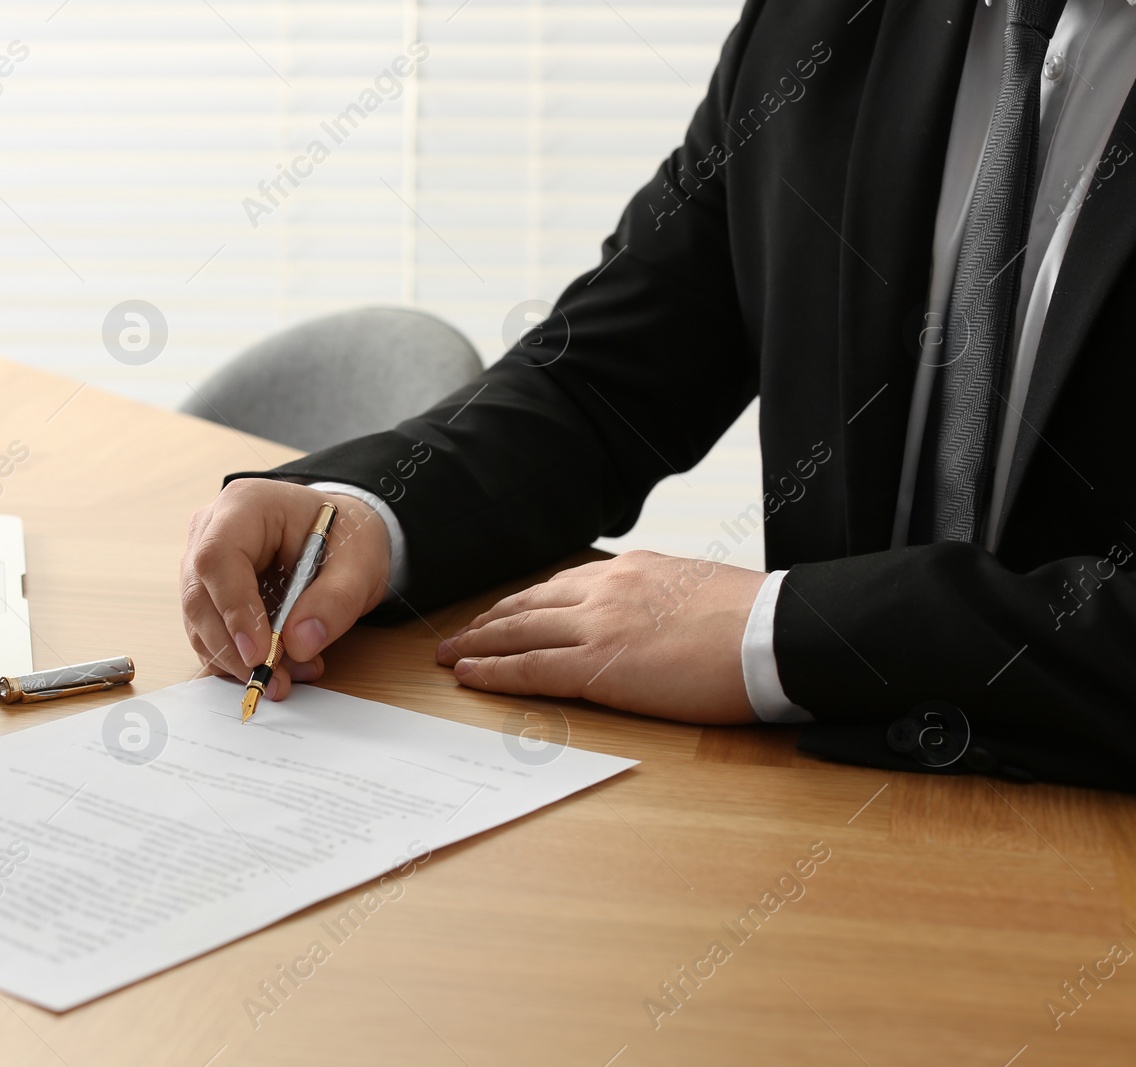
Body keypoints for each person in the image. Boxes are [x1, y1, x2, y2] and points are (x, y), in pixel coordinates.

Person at [180, 0, 1136, 792]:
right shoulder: (817, 25)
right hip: (813, 819)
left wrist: (787, 630)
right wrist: (367, 513)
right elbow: (605, 380)